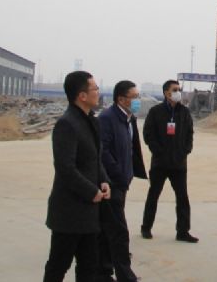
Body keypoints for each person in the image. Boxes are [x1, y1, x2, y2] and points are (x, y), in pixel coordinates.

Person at [44, 71, 111, 282]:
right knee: (58, 265)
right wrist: (91, 191)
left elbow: (95, 158)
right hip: (70, 211)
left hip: (89, 211)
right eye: (95, 89)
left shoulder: (91, 121)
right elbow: (65, 168)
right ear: (82, 96)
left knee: (89, 267)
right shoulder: (67, 124)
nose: (98, 92)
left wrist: (103, 180)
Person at [97, 80, 147, 282]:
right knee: (118, 231)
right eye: (134, 97)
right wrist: (117, 174)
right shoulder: (107, 118)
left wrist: (130, 173)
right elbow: (103, 151)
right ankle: (124, 275)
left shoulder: (129, 118)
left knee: (108, 228)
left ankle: (104, 271)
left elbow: (132, 148)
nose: (138, 100)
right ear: (121, 99)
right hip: (111, 182)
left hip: (123, 181)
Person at [141, 79, 198, 242]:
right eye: (175, 89)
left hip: (179, 163)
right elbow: (148, 133)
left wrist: (186, 150)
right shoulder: (156, 111)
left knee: (182, 198)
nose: (178, 92)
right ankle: (146, 227)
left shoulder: (184, 112)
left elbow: (189, 133)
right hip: (160, 163)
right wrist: (157, 150)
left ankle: (183, 231)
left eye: (179, 89)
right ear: (166, 93)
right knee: (153, 195)